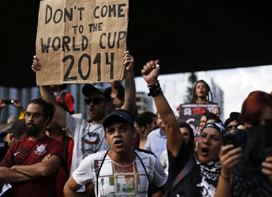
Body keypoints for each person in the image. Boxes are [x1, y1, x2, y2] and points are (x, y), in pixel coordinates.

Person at [32, 51, 136, 192]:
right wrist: (42, 75)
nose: (91, 104)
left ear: (107, 104)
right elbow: (51, 105)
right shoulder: (78, 125)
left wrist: (129, 73)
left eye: (96, 101)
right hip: (76, 191)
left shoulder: (113, 129)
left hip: (105, 191)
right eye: (88, 101)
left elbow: (128, 105)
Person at [141, 59, 230, 196]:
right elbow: (170, 124)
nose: (206, 140)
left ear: (223, 145)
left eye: (214, 138)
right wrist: (153, 84)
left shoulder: (231, 176)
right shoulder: (184, 162)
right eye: (203, 135)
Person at [63, 109, 167, 197]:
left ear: (134, 133)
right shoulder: (94, 161)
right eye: (111, 131)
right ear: (106, 138)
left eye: (123, 129)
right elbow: (68, 188)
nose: (117, 134)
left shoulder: (149, 160)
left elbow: (166, 188)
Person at [0, 98, 66, 197]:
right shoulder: (16, 145)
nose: (30, 119)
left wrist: (15, 168)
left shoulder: (56, 145)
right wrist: (37, 174)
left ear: (47, 119)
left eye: (36, 115)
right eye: (28, 114)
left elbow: (44, 170)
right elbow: (1, 174)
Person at [215, 91, 272, 197]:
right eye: (255, 123)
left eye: (269, 123)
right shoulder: (235, 159)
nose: (262, 129)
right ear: (245, 124)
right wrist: (225, 173)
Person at [45, 119, 73, 197]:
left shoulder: (69, 143)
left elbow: (71, 173)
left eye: (52, 115)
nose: (48, 118)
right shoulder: (37, 142)